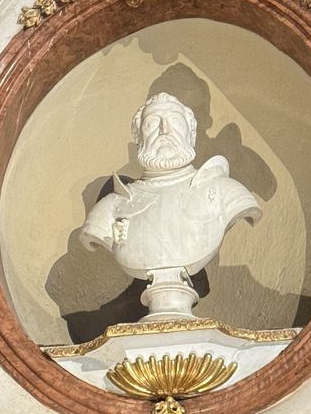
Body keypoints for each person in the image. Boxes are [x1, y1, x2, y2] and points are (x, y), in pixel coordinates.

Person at [80, 92, 261, 318]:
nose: (164, 130)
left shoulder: (226, 192)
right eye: (151, 123)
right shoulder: (110, 208)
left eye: (174, 120)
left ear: (191, 133)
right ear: (138, 137)